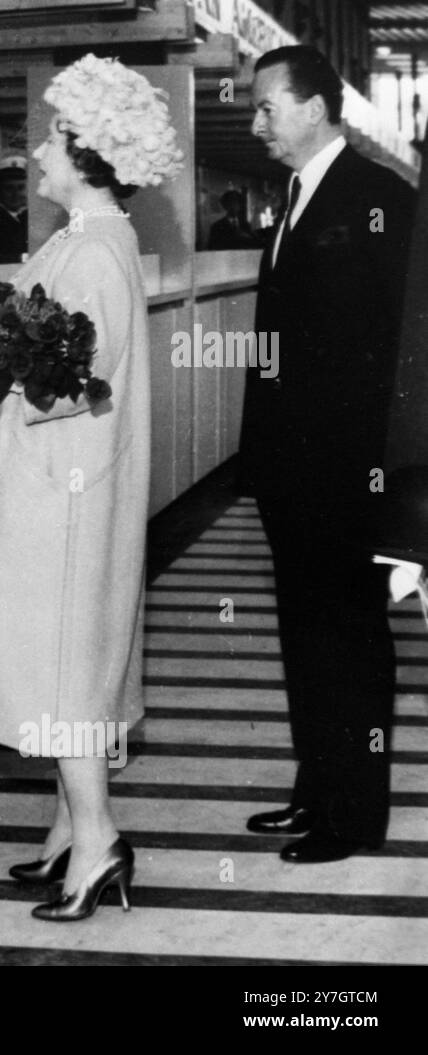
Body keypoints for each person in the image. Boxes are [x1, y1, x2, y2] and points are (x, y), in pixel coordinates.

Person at [0, 54, 182, 920]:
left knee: (62, 670)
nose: (37, 149)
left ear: (86, 151)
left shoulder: (89, 253)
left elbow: (78, 378)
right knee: (68, 658)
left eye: (52, 135)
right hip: (68, 487)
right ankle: (63, 831)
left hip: (64, 496)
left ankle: (97, 843)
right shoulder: (88, 240)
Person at [238, 45, 415, 863]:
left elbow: (404, 347)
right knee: (305, 632)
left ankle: (354, 812)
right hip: (291, 470)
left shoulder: (381, 198)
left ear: (314, 108)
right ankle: (317, 788)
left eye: (267, 106)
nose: (256, 122)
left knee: (349, 635)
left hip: (350, 472)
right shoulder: (295, 197)